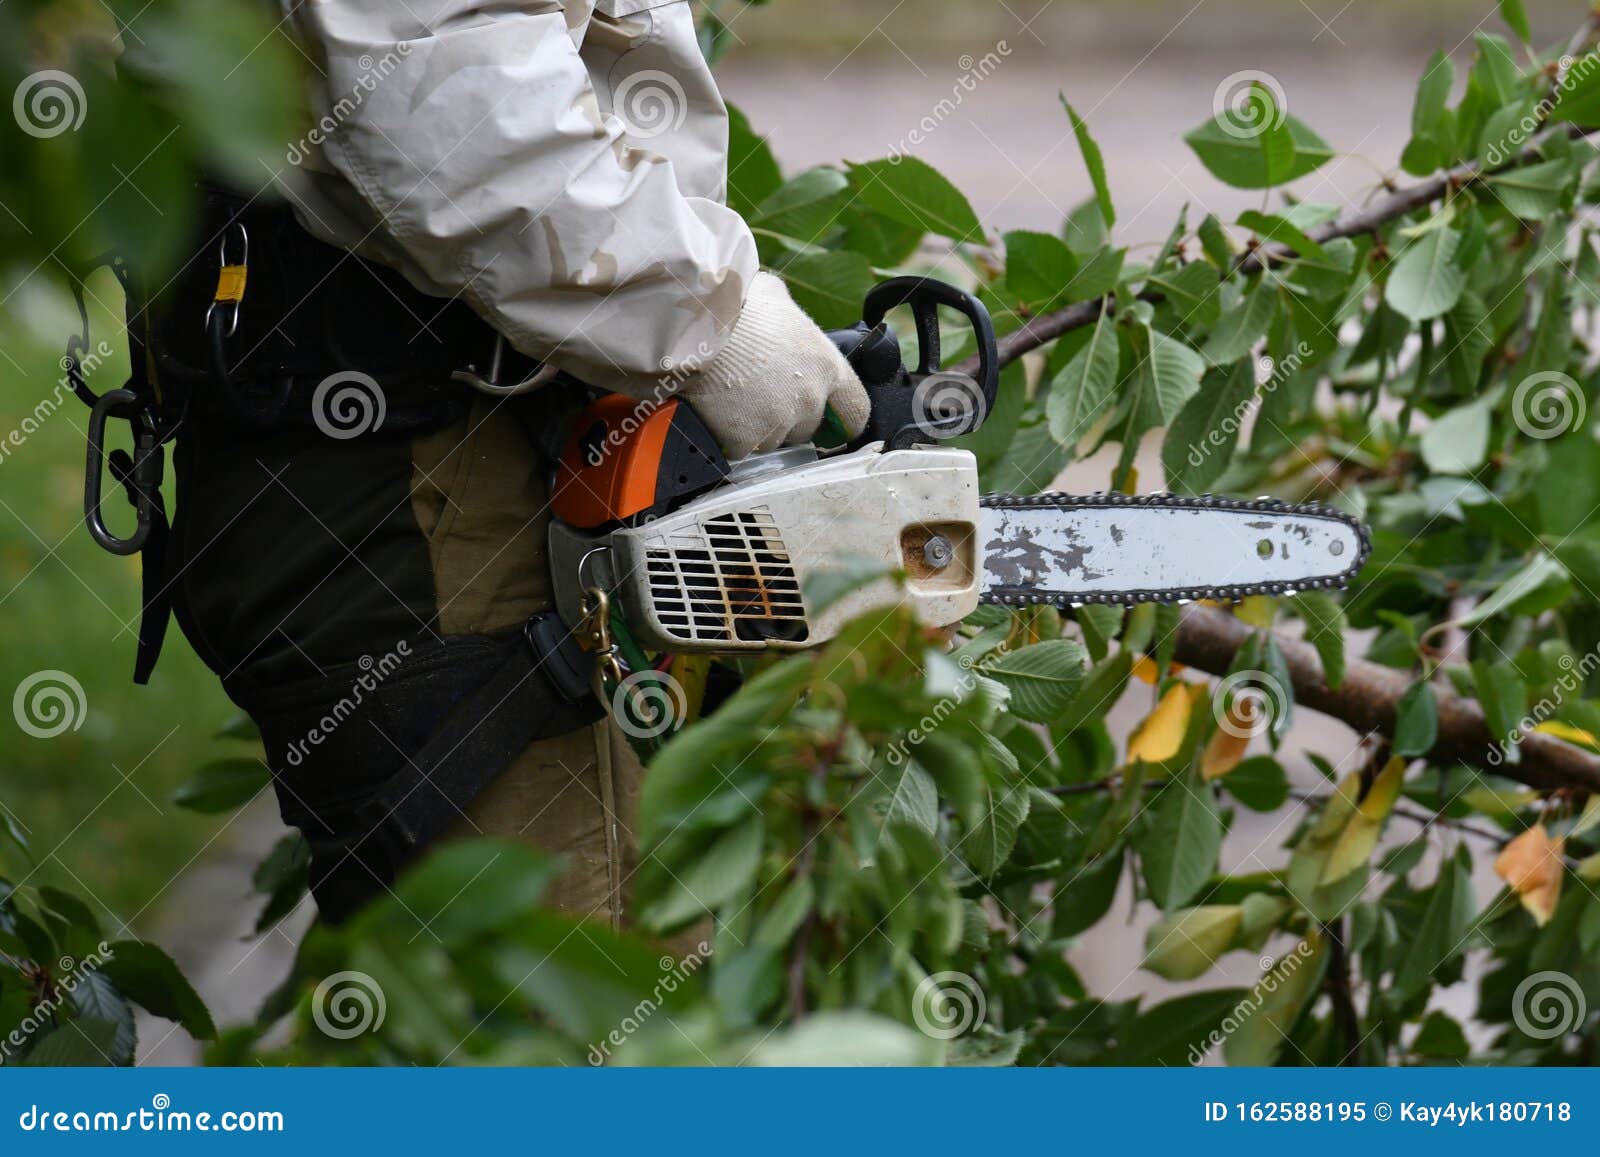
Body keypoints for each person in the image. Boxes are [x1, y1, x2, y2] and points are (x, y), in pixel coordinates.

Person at [140, 0, 870, 925]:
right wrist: (704, 324)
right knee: (561, 1010)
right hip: (430, 465)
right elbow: (439, 76)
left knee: (587, 983)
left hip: (465, 430)